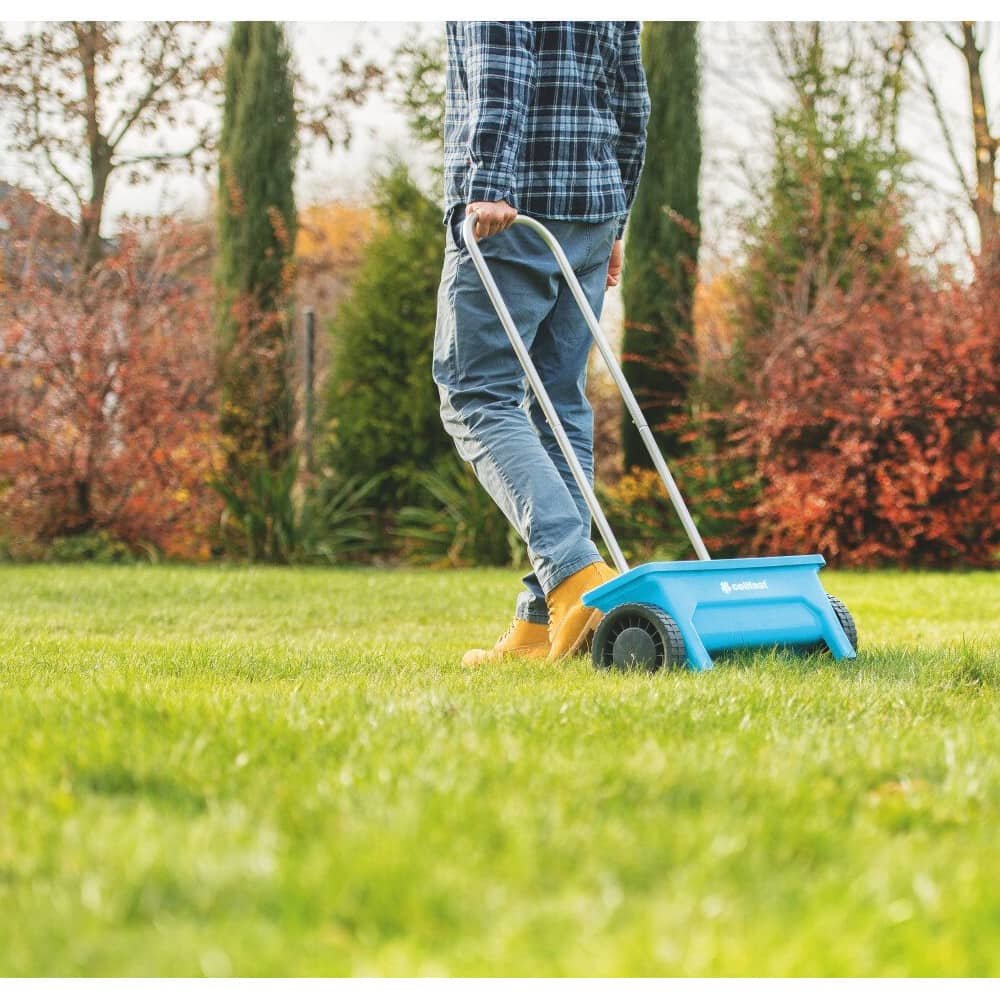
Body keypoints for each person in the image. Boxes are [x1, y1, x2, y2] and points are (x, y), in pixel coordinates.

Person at [433, 21, 651, 665]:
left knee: (475, 395)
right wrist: (619, 219)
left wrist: (489, 180)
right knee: (560, 405)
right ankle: (540, 621)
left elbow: (502, 61)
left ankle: (574, 572)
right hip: (592, 209)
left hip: (514, 209)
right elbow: (630, 100)